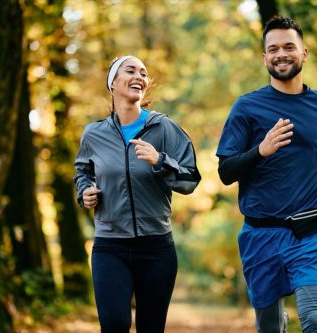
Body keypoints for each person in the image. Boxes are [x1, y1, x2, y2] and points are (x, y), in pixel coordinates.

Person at [216, 16, 317, 333]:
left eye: (289, 47)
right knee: (269, 328)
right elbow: (226, 171)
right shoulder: (246, 108)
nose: (281, 54)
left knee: (316, 322)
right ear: (265, 57)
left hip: (312, 233)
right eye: (274, 48)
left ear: (304, 53)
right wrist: (260, 150)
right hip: (260, 235)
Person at [74, 55, 201, 333]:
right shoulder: (94, 134)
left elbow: (191, 179)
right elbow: (82, 172)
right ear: (113, 84)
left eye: (143, 73)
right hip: (110, 246)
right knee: (115, 324)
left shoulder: (164, 128)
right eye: (130, 71)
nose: (139, 77)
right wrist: (85, 192)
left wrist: (161, 161)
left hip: (156, 248)